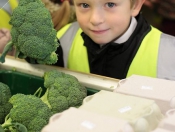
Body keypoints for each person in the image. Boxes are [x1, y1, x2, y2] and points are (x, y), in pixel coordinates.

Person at [55, 0, 175, 81]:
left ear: (135, 5)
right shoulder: (62, 39)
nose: (95, 19)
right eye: (84, 5)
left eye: (110, 4)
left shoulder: (169, 55)